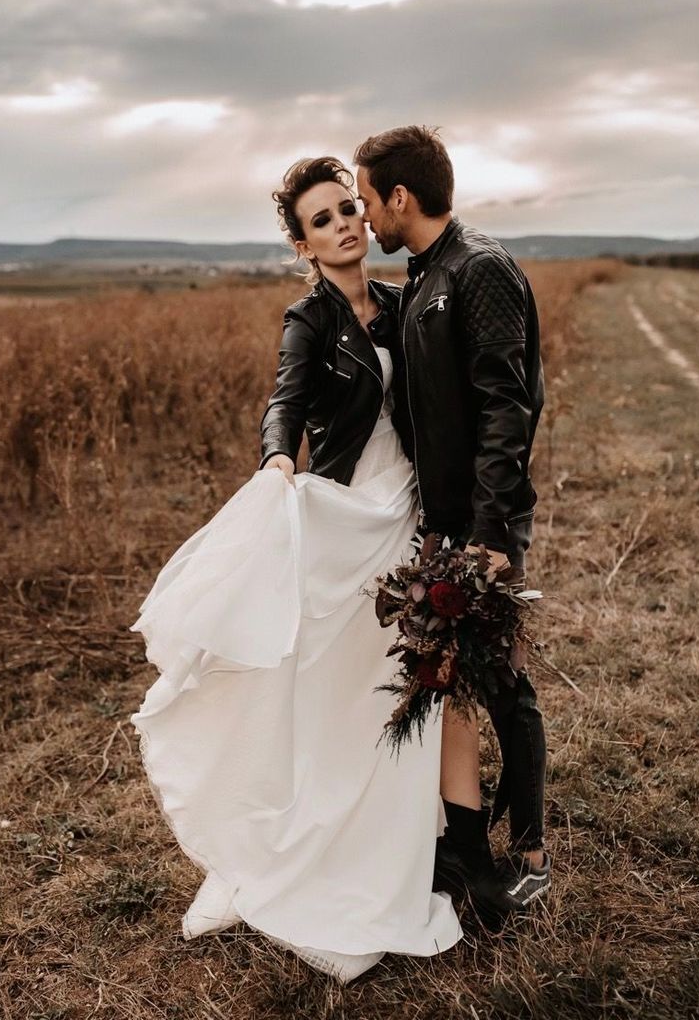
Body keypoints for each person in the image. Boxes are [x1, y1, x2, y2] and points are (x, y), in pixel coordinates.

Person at [130, 156, 461, 983]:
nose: (346, 224)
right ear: (303, 245)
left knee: (398, 681)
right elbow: (284, 400)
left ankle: (392, 847)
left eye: (349, 209)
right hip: (348, 517)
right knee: (337, 688)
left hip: (407, 512)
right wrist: (279, 460)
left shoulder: (400, 304)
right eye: (323, 220)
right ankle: (303, 851)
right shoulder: (308, 318)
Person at [354, 125, 551, 923]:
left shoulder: (481, 270)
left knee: (502, 682)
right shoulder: (425, 276)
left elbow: (510, 407)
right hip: (440, 523)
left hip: (482, 527)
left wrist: (491, 535)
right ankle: (464, 842)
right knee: (459, 683)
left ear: (401, 196)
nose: (365, 217)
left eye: (368, 200)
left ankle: (532, 856)